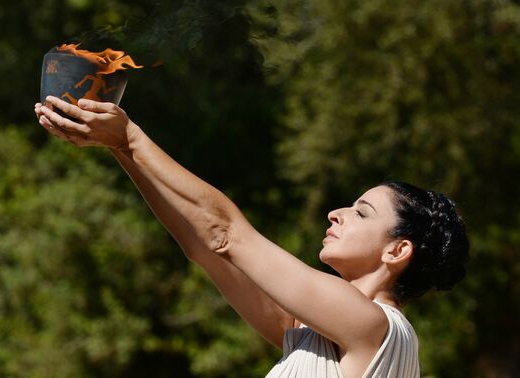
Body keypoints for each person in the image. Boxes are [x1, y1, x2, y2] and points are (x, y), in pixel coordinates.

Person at [34, 97, 469, 378]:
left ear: (397, 250)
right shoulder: (308, 331)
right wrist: (120, 150)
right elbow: (205, 247)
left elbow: (226, 233)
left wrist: (131, 134)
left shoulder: (374, 327)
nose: (336, 213)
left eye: (361, 212)